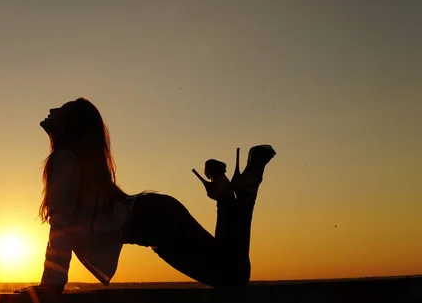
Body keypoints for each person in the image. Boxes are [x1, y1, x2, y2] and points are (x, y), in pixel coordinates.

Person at [15, 97, 276, 296]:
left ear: (71, 125)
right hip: (156, 215)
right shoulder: (74, 161)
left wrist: (50, 287)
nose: (52, 110)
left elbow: (61, 226)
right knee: (230, 268)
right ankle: (231, 190)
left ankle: (238, 193)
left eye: (62, 108)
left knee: (234, 276)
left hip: (155, 222)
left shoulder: (62, 160)